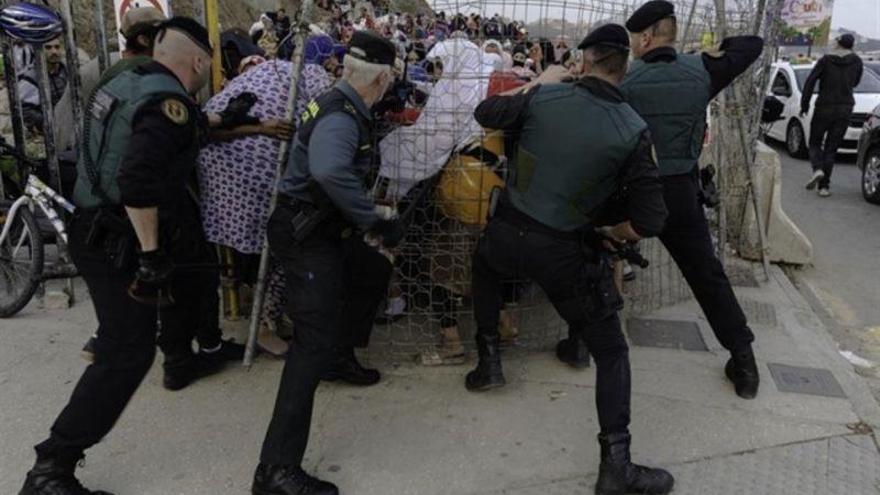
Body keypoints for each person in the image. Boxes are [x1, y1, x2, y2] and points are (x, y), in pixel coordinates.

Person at [466, 24, 673, 495]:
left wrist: (542, 80)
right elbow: (652, 218)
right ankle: (615, 465)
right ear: (625, 67)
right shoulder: (633, 129)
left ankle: (488, 362)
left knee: (485, 270)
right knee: (613, 351)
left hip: (506, 231)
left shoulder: (543, 98)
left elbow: (486, 112)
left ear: (583, 61)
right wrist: (611, 232)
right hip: (563, 250)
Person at [18, 17, 216, 495]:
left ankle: (55, 462)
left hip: (91, 225)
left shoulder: (122, 79)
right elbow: (139, 180)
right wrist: (149, 255)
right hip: (120, 239)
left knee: (119, 341)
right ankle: (52, 467)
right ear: (200, 61)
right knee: (128, 353)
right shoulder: (169, 103)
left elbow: (122, 141)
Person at [252, 31, 404, 495]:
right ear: (379, 82)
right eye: (390, 82)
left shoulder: (337, 100)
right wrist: (374, 219)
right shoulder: (342, 116)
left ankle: (339, 356)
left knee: (371, 270)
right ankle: (275, 472)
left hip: (321, 227)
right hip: (306, 234)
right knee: (308, 346)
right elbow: (330, 171)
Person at [619, 0, 764, 399]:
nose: (633, 46)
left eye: (635, 38)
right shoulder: (702, 70)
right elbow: (752, 43)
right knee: (707, 276)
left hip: (633, 191)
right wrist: (713, 49)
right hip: (681, 192)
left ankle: (580, 343)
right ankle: (744, 361)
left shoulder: (626, 82)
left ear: (646, 37)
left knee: (598, 255)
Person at [801, 33, 863, 196]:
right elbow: (856, 82)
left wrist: (804, 104)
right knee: (831, 148)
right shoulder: (857, 61)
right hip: (845, 108)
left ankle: (817, 169)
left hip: (824, 107)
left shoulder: (825, 60)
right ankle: (824, 187)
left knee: (814, 142)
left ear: (838, 44)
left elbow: (810, 81)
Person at [17, 36, 67, 132]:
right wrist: (49, 122)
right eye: (48, 48)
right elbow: (24, 110)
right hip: (53, 131)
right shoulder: (32, 78)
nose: (54, 52)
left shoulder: (66, 70)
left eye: (57, 47)